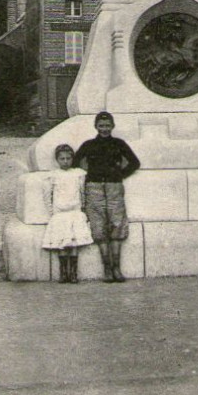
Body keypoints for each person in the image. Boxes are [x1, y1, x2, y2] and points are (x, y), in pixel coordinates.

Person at [75, 111, 141, 282]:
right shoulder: (89, 144)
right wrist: (91, 175)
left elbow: (135, 162)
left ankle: (117, 269)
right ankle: (107, 269)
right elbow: (76, 163)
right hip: (94, 187)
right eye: (101, 126)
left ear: (113, 126)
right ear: (95, 127)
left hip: (114, 187)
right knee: (98, 225)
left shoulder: (119, 144)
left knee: (117, 223)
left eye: (107, 126)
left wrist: (119, 175)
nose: (104, 129)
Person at [41, 144, 93, 283]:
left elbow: (83, 193)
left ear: (72, 159)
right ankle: (64, 273)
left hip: (75, 212)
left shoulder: (78, 174)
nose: (65, 161)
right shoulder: (53, 175)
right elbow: (47, 196)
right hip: (60, 214)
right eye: (62, 158)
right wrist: (53, 213)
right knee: (62, 243)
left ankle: (74, 273)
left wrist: (82, 209)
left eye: (68, 158)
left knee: (74, 243)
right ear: (57, 160)